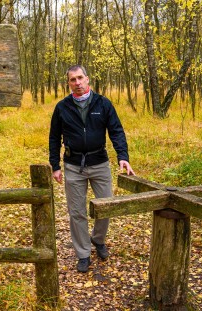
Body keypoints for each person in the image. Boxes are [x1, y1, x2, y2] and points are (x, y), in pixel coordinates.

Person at [49, 65, 135, 273]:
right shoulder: (62, 107)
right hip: (73, 165)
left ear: (87, 79)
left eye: (80, 78)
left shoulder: (103, 103)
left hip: (99, 163)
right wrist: (55, 166)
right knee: (77, 212)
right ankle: (83, 253)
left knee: (106, 205)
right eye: (72, 80)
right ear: (68, 83)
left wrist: (123, 157)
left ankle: (98, 239)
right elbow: (54, 137)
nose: (77, 83)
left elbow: (116, 130)